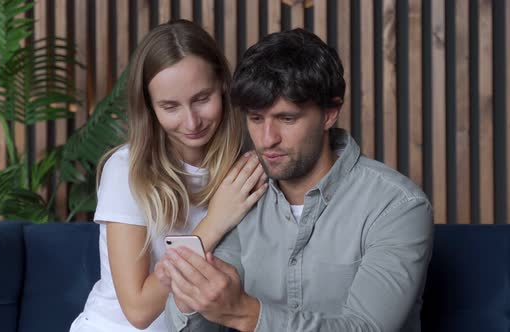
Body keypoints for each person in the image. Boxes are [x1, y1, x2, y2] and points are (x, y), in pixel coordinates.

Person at [157, 28, 434, 332]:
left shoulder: (397, 206)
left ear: (330, 113)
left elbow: (367, 328)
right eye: (256, 118)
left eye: (287, 119)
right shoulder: (241, 194)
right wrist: (191, 298)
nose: (266, 140)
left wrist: (244, 313)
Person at [69, 19, 267, 332]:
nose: (191, 122)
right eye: (170, 106)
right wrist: (216, 220)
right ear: (149, 108)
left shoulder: (243, 166)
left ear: (223, 87)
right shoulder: (126, 170)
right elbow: (137, 310)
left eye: (202, 99)